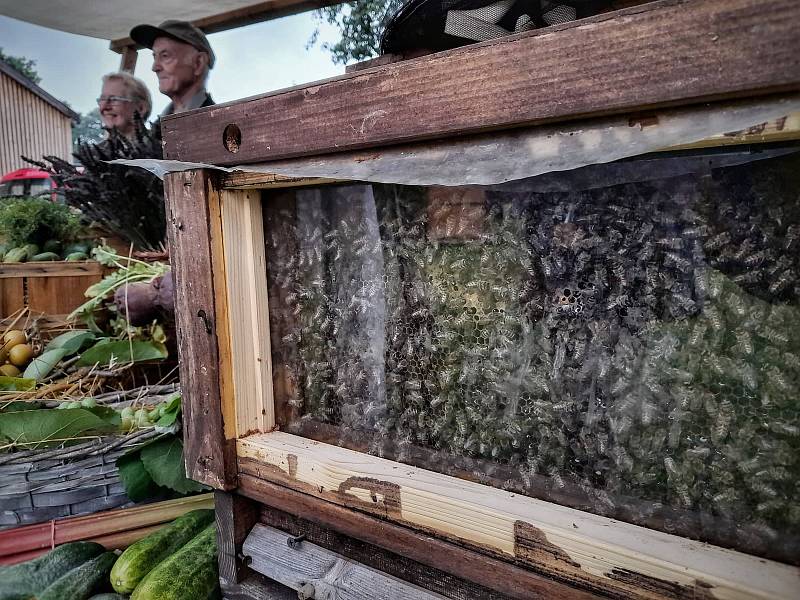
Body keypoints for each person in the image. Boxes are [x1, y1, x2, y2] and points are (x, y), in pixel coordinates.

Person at [130, 20, 215, 116]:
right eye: (155, 57)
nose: (155, 68)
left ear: (198, 63)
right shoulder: (157, 127)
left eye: (165, 56)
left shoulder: (220, 124)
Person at [97, 72, 152, 139]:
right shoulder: (95, 149)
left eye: (114, 99)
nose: (104, 107)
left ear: (141, 108)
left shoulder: (164, 145)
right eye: (102, 99)